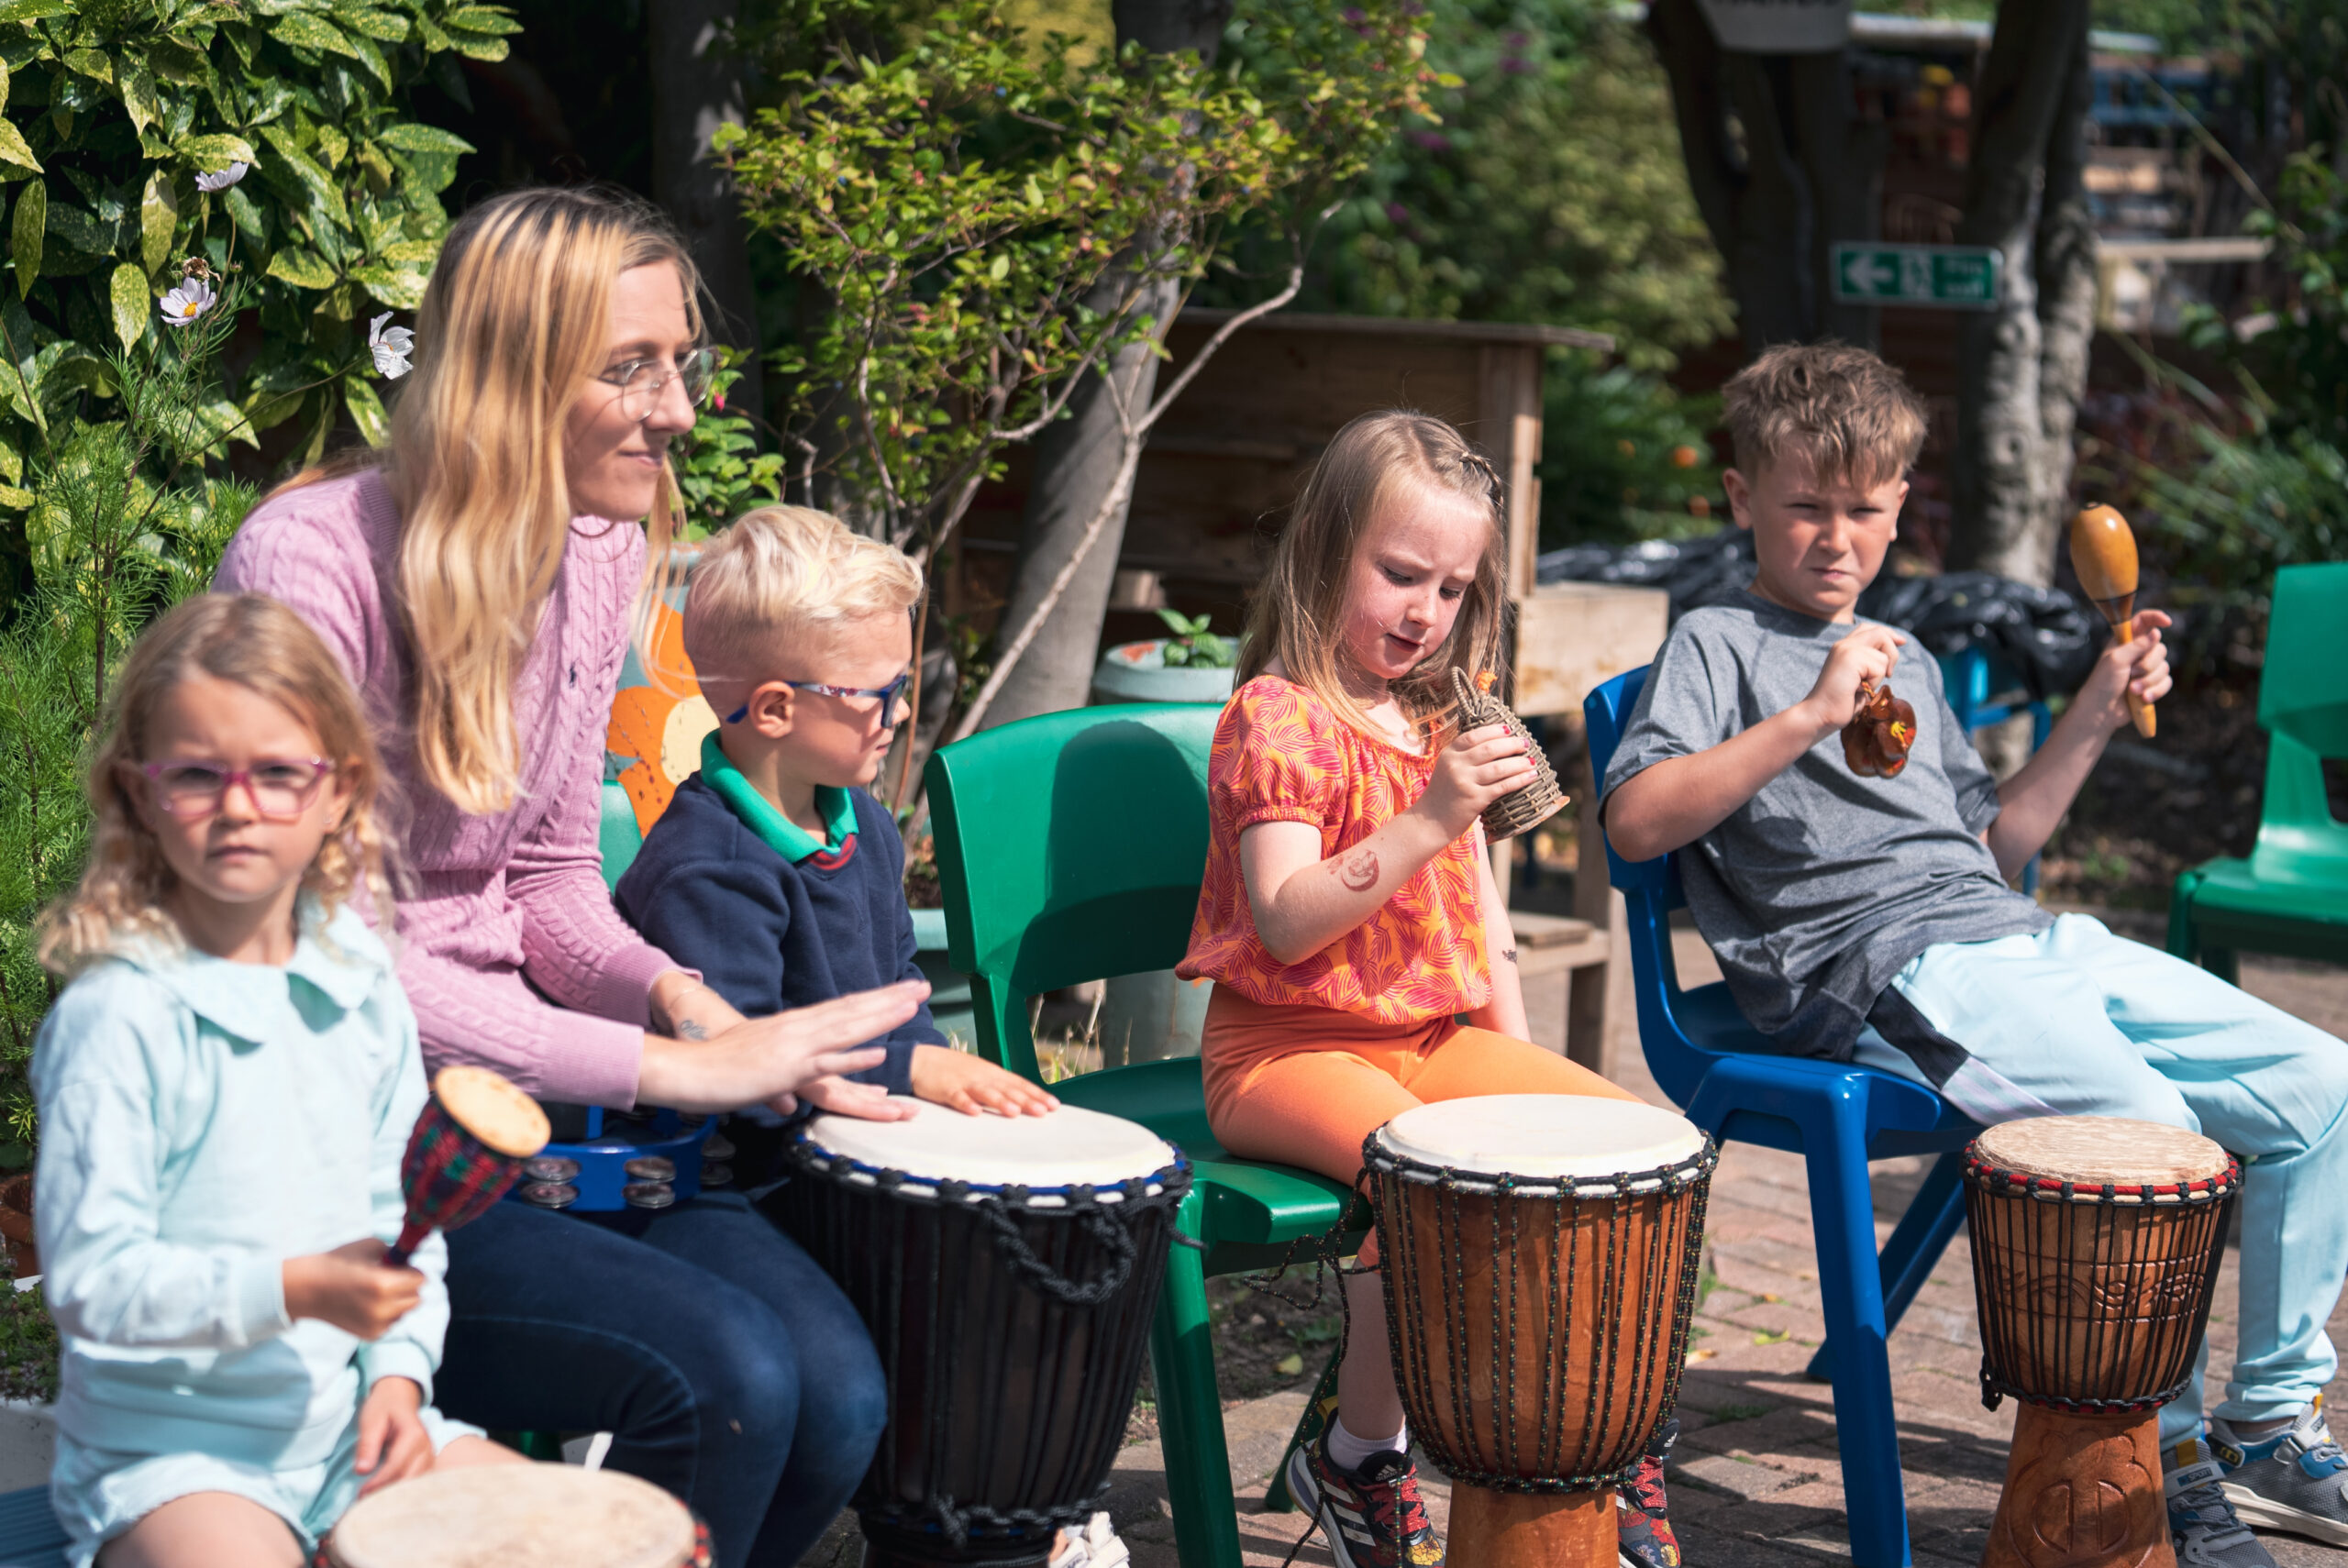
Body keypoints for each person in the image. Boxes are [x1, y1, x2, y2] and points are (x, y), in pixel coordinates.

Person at [213, 187, 932, 1568]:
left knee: (839, 1404)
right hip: (362, 1144)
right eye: (631, 367)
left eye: (680, 363)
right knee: (726, 1379)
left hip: (544, 1113)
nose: (675, 408)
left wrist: (690, 1006)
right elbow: (331, 945)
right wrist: (665, 1068)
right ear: (504, 376)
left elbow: (545, 875)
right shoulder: (310, 566)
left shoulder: (599, 547)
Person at [1600, 343, 2348, 1568]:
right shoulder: (1718, 645)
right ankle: (2158, 1445)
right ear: (1743, 500)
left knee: (2319, 1085)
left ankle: (2266, 1417)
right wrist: (1804, 716)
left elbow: (1993, 848)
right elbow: (1636, 820)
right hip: (1879, 967)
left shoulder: (1918, 659)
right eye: (1803, 506)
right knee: (2149, 1128)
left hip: (2023, 938)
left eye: (1863, 509)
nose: (1834, 538)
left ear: (1901, 509)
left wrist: (2098, 711)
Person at [1174, 411, 1656, 1568]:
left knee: (1634, 1150)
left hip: (1431, 1040)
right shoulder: (1277, 717)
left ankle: (1608, 1431)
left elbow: (1478, 920)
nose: (1423, 611)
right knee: (1431, 1180)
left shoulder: (1444, 712)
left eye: (1449, 588)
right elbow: (1287, 923)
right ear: (1324, 549)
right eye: (1398, 575)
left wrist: (1531, 1087)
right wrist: (1433, 811)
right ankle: (1360, 1458)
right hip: (1279, 1052)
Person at [614, 505, 1128, 1568]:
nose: (897, 711)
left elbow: (893, 987)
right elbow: (742, 1069)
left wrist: (925, 1076)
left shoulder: (862, 820)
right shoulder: (708, 868)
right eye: (877, 692)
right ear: (770, 706)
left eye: (901, 681)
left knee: (990, 1342)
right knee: (841, 1402)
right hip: (717, 1189)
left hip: (832, 1176)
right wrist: (918, 1065)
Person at [32, 594, 521, 1568]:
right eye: (197, 777)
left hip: (340, 1433)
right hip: (171, 1460)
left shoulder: (356, 977)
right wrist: (290, 1289)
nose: (240, 807)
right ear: (137, 792)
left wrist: (397, 1380)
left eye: (278, 775)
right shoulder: (120, 1015)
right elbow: (94, 1282)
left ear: (339, 791)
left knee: (575, 1543)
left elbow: (402, 1222)